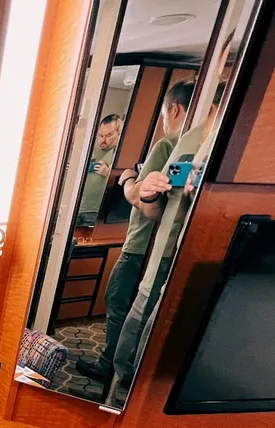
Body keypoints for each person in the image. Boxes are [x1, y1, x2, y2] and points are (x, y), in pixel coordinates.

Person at [77, 81, 194, 383]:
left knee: (118, 304)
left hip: (141, 246)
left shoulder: (168, 145)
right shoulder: (202, 148)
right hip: (173, 250)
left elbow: (142, 201)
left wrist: (128, 178)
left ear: (173, 109)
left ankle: (110, 369)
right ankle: (129, 372)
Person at [112, 85, 225, 390]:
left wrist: (129, 182)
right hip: (164, 252)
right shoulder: (185, 145)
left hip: (207, 261)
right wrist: (149, 195)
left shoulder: (236, 147)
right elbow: (165, 210)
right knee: (135, 336)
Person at [76, 114, 122, 225]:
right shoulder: (89, 148)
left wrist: (108, 173)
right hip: (77, 209)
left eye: (108, 135)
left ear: (119, 134)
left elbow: (128, 181)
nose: (103, 140)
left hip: (97, 213)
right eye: (101, 136)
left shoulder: (121, 153)